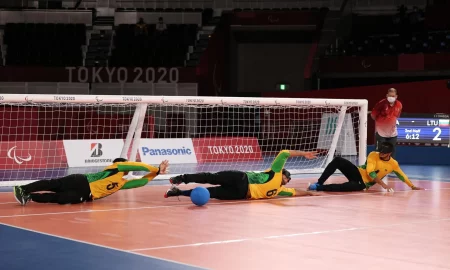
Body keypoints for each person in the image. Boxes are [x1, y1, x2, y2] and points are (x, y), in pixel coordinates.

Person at [164, 149, 319, 200]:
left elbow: (295, 192)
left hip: (241, 193)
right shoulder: (276, 173)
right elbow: (284, 153)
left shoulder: (280, 191)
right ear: (283, 174)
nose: (289, 180)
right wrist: (304, 154)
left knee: (210, 194)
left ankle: (177, 193)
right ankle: (181, 178)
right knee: (210, 177)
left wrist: (309, 194)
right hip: (241, 178)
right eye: (288, 177)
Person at [13, 158, 169, 205]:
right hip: (81, 181)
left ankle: (28, 197)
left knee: (57, 198)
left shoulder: (121, 183)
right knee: (52, 184)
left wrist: (155, 175)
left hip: (85, 195)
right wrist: (156, 169)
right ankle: (22, 188)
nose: (128, 166)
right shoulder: (115, 167)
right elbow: (138, 166)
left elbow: (141, 182)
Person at [307, 142, 423, 192]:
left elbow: (402, 176)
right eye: (380, 152)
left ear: (389, 154)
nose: (380, 154)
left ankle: (318, 188)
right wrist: (383, 185)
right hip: (357, 172)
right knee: (338, 160)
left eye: (383, 153)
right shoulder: (373, 154)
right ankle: (319, 183)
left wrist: (412, 186)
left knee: (343, 187)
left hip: (363, 184)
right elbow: (370, 172)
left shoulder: (393, 164)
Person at [371, 88, 402, 158]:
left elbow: (397, 116)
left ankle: (390, 168)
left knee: (392, 152)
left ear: (396, 96)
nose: (391, 98)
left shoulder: (399, 104)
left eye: (393, 96)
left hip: (392, 133)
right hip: (381, 133)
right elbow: (373, 115)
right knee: (380, 152)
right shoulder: (381, 104)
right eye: (390, 96)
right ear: (387, 95)